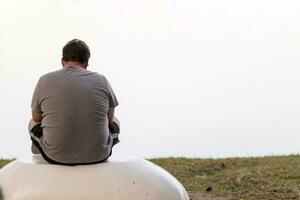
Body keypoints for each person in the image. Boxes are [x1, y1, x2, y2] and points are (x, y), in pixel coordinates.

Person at [28, 39, 120, 165]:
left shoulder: (44, 80)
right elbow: (109, 119)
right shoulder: (102, 80)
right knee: (116, 120)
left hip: (55, 156)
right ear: (87, 62)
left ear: (62, 61)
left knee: (32, 122)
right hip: (99, 155)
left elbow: (36, 117)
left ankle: (41, 155)